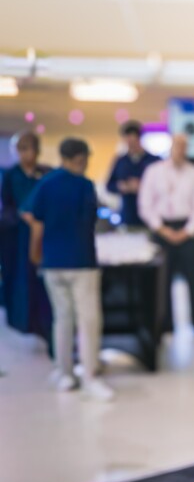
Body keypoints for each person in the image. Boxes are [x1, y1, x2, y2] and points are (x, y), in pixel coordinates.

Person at [23, 138, 113, 401]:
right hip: (81, 261)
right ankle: (90, 375)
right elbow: (90, 221)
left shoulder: (46, 183)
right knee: (88, 321)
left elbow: (33, 218)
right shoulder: (84, 186)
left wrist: (35, 253)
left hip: (52, 262)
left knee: (62, 319)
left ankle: (65, 373)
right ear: (80, 157)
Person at [139, 134, 194, 335]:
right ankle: (165, 324)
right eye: (177, 145)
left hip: (187, 229)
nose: (180, 150)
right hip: (162, 229)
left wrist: (188, 231)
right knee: (162, 282)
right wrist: (161, 229)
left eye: (184, 146)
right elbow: (145, 205)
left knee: (193, 280)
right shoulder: (154, 172)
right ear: (170, 147)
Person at [1, 132, 53, 342]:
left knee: (42, 279)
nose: (25, 154)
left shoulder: (45, 173)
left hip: (43, 234)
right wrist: (23, 217)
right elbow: (6, 208)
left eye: (28, 148)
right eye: (21, 149)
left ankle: (44, 324)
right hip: (19, 237)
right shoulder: (11, 174)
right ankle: (23, 321)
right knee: (22, 277)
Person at [105, 120, 160, 229]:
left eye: (132, 140)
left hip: (152, 217)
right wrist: (122, 186)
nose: (129, 144)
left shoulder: (154, 161)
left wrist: (143, 187)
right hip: (128, 215)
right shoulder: (120, 161)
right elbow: (109, 185)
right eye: (126, 140)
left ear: (139, 139)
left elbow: (163, 187)